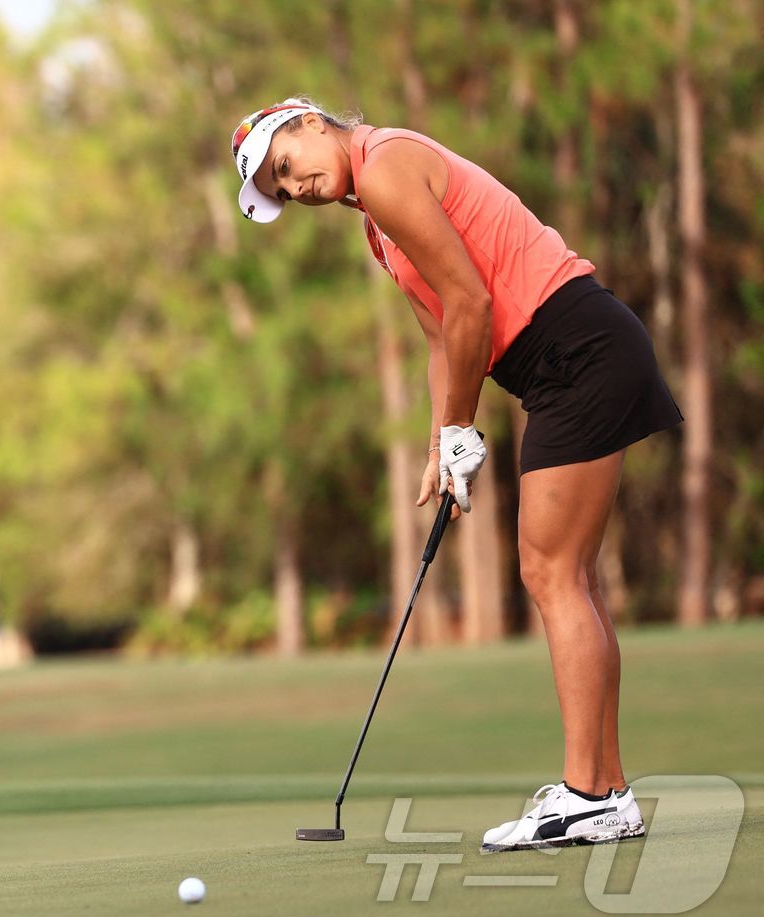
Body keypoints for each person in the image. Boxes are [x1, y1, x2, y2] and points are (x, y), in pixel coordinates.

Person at [230, 97, 681, 851]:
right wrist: (441, 445)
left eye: (286, 166)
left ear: (310, 123)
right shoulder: (376, 223)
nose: (296, 187)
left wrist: (463, 426)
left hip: (577, 351)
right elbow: (443, 335)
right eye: (281, 190)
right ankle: (607, 793)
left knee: (551, 572)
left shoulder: (385, 168)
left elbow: (474, 300)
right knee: (572, 577)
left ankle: (587, 795)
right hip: (575, 356)